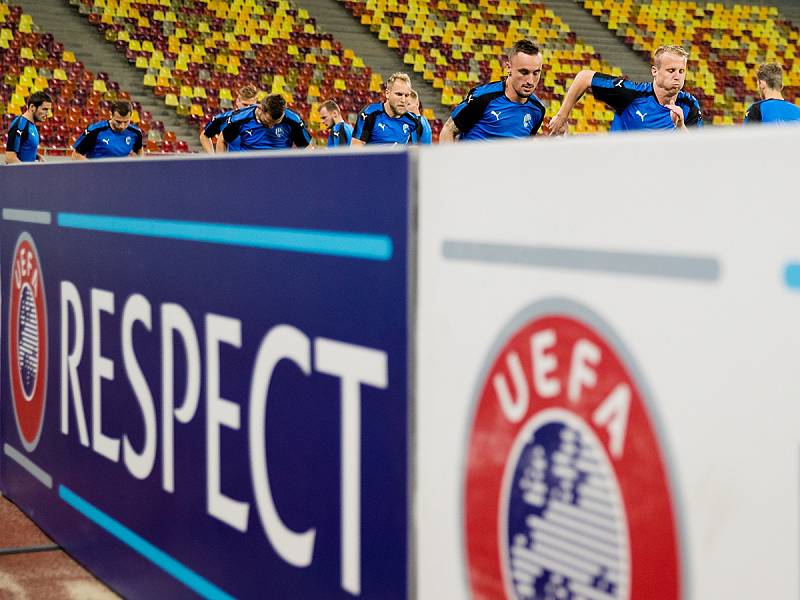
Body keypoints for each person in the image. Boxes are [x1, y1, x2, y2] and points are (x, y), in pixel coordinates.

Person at [548, 45, 702, 134]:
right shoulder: (632, 94)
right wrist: (562, 116)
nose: (677, 76)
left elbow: (698, 152)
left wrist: (681, 127)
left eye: (681, 71)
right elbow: (584, 77)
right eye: (671, 70)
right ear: (655, 71)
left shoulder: (688, 104)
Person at [439, 39, 546, 142]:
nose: (530, 81)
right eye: (524, 72)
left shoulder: (537, 110)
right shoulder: (483, 97)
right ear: (509, 68)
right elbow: (448, 131)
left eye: (536, 73)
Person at [217, 93, 311, 152]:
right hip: (247, 169)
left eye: (276, 123)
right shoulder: (240, 118)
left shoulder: (294, 120)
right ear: (260, 109)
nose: (271, 126)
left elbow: (307, 148)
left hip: (280, 171)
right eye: (268, 121)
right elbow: (222, 141)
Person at [351, 72, 423, 145]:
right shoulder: (369, 114)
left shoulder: (413, 121)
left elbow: (417, 150)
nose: (403, 100)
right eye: (399, 94)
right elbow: (355, 152)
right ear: (387, 93)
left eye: (407, 95)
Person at [71, 100, 143, 160]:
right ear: (111, 115)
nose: (122, 126)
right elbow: (76, 155)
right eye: (118, 122)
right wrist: (92, 169)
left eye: (126, 122)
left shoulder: (136, 133)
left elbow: (139, 151)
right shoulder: (94, 130)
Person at [199, 85, 258, 153]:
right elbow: (204, 136)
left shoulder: (264, 120)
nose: (248, 108)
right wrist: (214, 158)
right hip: (234, 162)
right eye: (245, 105)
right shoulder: (225, 118)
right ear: (237, 101)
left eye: (251, 106)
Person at [5, 91, 52, 164]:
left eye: (48, 110)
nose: (47, 113)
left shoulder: (31, 125)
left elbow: (24, 150)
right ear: (32, 107)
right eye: (44, 109)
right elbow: (10, 158)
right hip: (19, 175)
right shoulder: (20, 125)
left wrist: (37, 156)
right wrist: (26, 174)